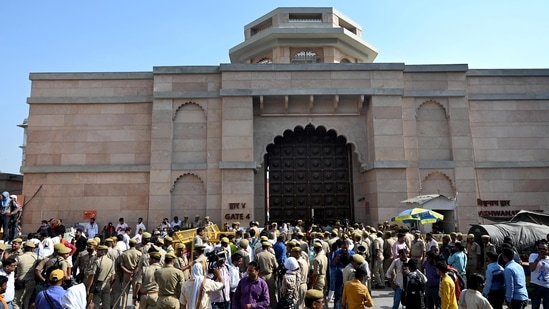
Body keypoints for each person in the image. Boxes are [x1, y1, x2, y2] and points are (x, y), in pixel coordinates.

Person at [529, 241, 549, 309]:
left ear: (548, 250)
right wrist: (538, 259)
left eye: (544, 249)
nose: (542, 251)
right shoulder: (533, 256)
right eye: (540, 249)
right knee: (535, 307)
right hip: (536, 286)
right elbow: (531, 269)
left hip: (547, 287)